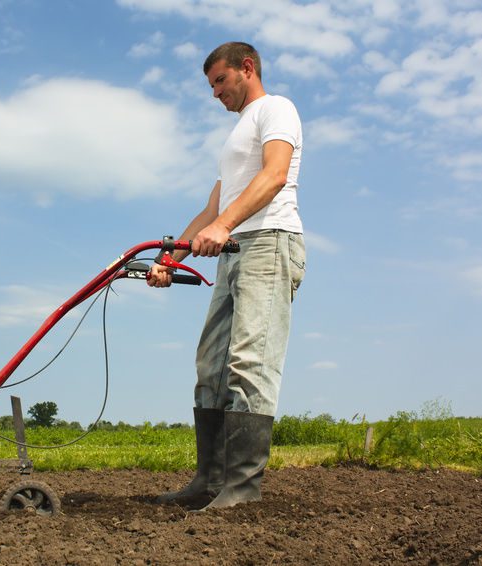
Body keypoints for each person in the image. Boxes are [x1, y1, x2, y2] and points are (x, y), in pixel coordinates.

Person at [148, 42, 306, 510]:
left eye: (220, 80)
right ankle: (208, 480)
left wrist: (224, 226)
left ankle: (242, 488)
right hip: (234, 251)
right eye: (211, 85)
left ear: (247, 68)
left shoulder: (276, 110)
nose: (215, 92)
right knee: (211, 365)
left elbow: (275, 175)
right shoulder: (237, 136)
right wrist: (170, 257)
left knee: (249, 362)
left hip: (270, 241)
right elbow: (212, 208)